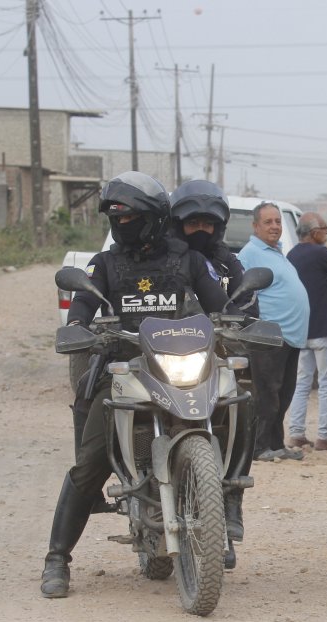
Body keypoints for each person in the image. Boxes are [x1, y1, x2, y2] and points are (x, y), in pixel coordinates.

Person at [40, 171, 233, 599]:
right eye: (115, 218)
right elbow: (83, 305)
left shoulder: (188, 259)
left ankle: (227, 506)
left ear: (154, 218)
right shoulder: (104, 264)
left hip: (181, 367)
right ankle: (57, 559)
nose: (121, 226)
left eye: (129, 217)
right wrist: (77, 327)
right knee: (90, 463)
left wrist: (240, 319)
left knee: (234, 407)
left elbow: (221, 307)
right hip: (123, 371)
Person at [168, 178, 253, 546]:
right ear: (177, 223)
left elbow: (244, 308)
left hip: (214, 357)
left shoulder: (227, 262)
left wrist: (246, 331)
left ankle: (232, 496)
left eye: (207, 224)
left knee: (245, 405)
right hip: (162, 355)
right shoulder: (163, 258)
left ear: (218, 226)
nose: (200, 230)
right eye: (192, 223)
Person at [236, 202, 310, 462]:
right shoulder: (250, 253)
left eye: (278, 221)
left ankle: (276, 444)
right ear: (255, 226)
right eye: (268, 222)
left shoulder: (276, 252)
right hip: (269, 335)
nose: (275, 226)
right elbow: (241, 291)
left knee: (284, 391)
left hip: (289, 336)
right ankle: (259, 447)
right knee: (267, 393)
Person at [286, 212, 327, 452]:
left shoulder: (292, 255)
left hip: (300, 329)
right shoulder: (321, 253)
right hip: (323, 328)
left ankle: (296, 433)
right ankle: (325, 436)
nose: (326, 232)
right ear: (314, 232)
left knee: (301, 383)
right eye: (325, 228)